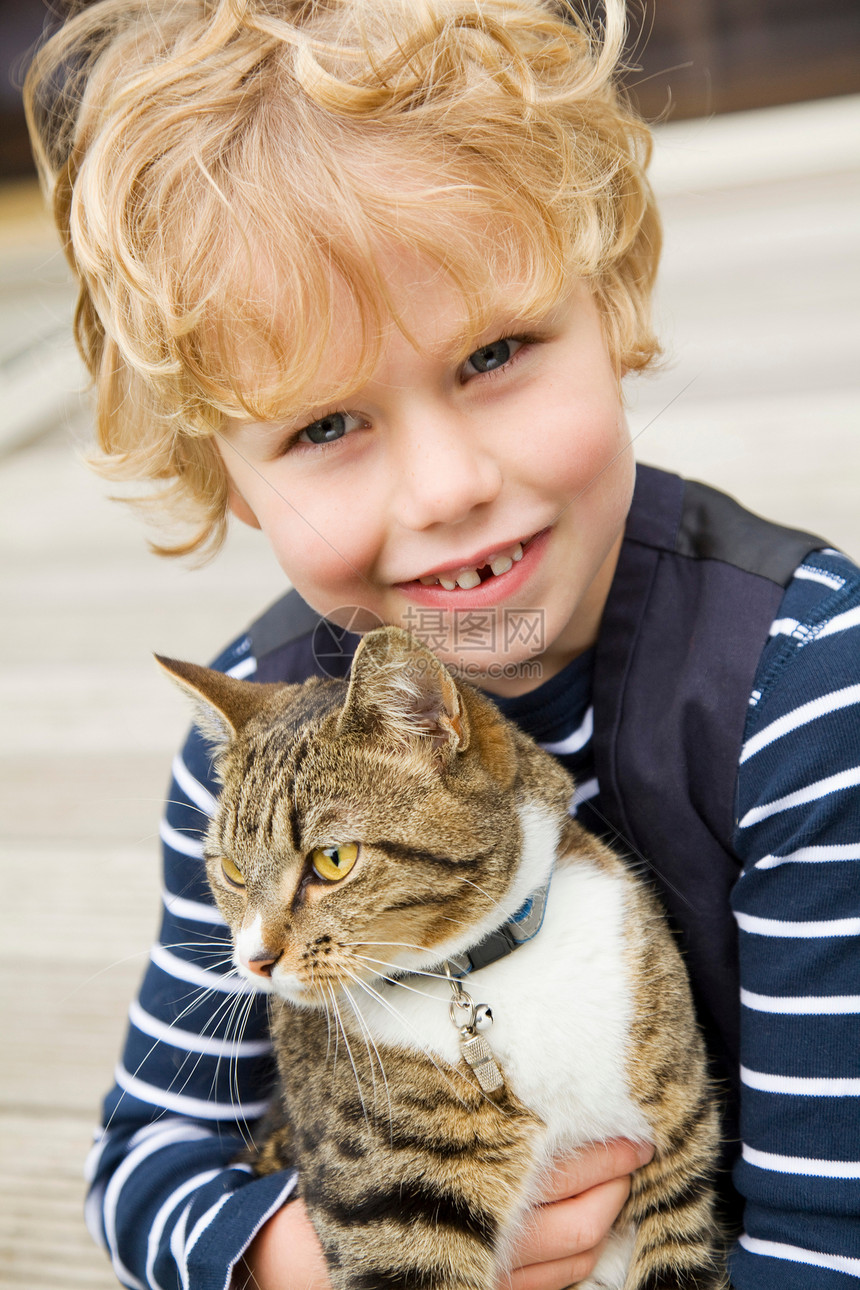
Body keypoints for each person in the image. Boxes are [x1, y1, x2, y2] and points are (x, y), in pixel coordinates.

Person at [24, 1, 860, 1287]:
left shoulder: (802, 682)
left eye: (493, 352)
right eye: (321, 428)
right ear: (229, 478)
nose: (442, 488)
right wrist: (291, 1260)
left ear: (615, 298)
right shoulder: (252, 764)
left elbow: (829, 1243)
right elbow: (142, 1164)